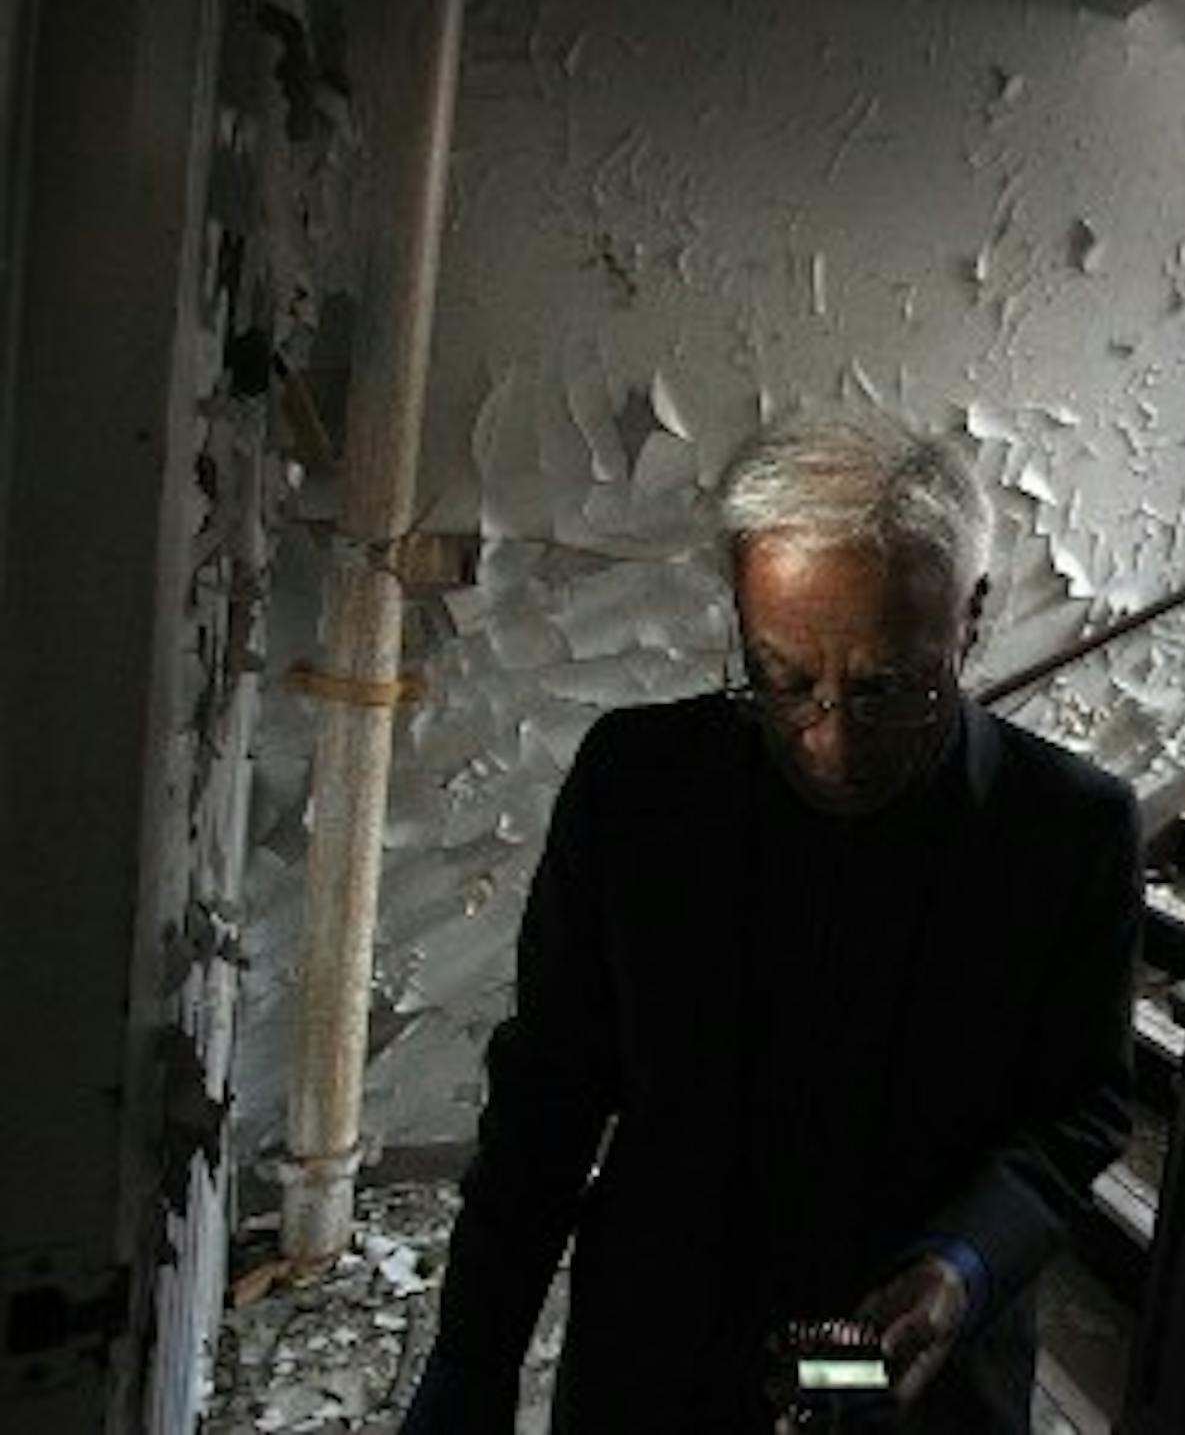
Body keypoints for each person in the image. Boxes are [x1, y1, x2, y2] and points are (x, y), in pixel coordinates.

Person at [403, 415, 1140, 1431]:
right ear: (741, 616)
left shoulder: (1071, 831)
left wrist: (960, 1268)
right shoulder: (636, 791)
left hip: (911, 1387)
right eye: (782, 678)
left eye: (889, 687)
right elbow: (548, 1096)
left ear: (970, 616)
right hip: (661, 1369)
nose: (831, 743)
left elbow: (1078, 1109)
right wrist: (471, 1362)